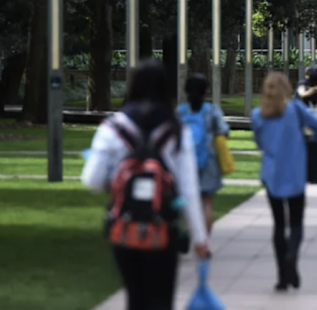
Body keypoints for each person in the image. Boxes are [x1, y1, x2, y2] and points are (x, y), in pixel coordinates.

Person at [81, 59, 209, 310]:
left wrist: (119, 182)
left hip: (124, 225)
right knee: (161, 300)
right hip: (163, 227)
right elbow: (189, 190)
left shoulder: (113, 128)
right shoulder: (176, 130)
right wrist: (200, 238)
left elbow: (92, 180)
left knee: (136, 298)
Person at [251, 72, 317, 291]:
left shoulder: (258, 115)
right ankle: (292, 255)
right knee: (295, 222)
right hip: (294, 172)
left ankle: (282, 277)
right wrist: (309, 139)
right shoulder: (295, 109)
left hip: (272, 174)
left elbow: (259, 142)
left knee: (278, 224)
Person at [179, 73, 230, 234]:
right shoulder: (211, 111)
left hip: (186, 161)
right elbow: (224, 130)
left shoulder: (180, 112)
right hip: (209, 160)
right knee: (207, 201)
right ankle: (204, 242)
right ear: (205, 90)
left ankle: (190, 234)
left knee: (189, 201)